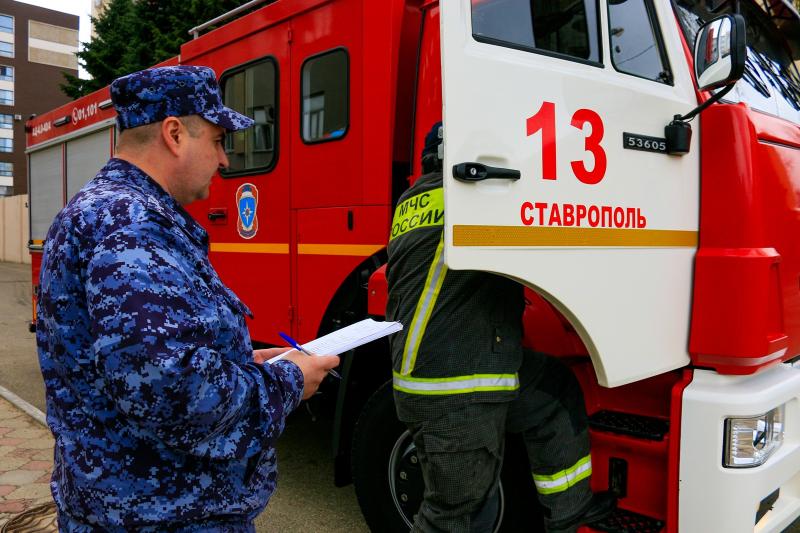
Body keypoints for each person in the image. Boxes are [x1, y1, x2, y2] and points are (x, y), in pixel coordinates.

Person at [36, 65, 339, 531]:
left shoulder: (113, 212)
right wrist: (289, 381)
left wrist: (242, 364)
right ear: (174, 134)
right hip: (164, 516)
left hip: (130, 510)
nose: (225, 160)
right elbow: (168, 388)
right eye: (217, 141)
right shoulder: (130, 224)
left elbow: (143, 358)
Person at [386, 122, 616, 532]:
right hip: (456, 388)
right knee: (452, 515)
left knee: (554, 392)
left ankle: (569, 512)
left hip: (447, 371)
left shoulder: (411, 201)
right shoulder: (470, 199)